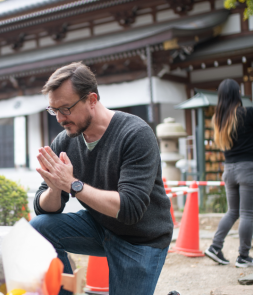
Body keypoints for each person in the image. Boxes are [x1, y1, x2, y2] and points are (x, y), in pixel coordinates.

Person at [30, 62, 173, 295]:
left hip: (140, 237)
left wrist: (72, 184)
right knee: (38, 229)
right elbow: (44, 208)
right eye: (53, 110)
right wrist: (55, 188)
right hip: (99, 225)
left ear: (92, 99)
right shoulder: (65, 140)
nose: (59, 118)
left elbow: (130, 208)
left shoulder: (135, 134)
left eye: (65, 109)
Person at [205, 78, 253, 268]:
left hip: (229, 170)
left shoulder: (219, 119)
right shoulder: (248, 114)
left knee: (233, 212)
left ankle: (215, 247)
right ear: (237, 93)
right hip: (247, 170)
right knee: (248, 213)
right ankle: (243, 256)